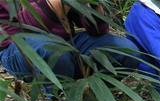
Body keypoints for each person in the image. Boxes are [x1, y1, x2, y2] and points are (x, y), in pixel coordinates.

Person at [1, 0, 140, 82]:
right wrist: (58, 3)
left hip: (65, 42)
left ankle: (90, 96)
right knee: (54, 53)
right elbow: (22, 27)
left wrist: (94, 6)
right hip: (16, 48)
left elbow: (98, 30)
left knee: (126, 50)